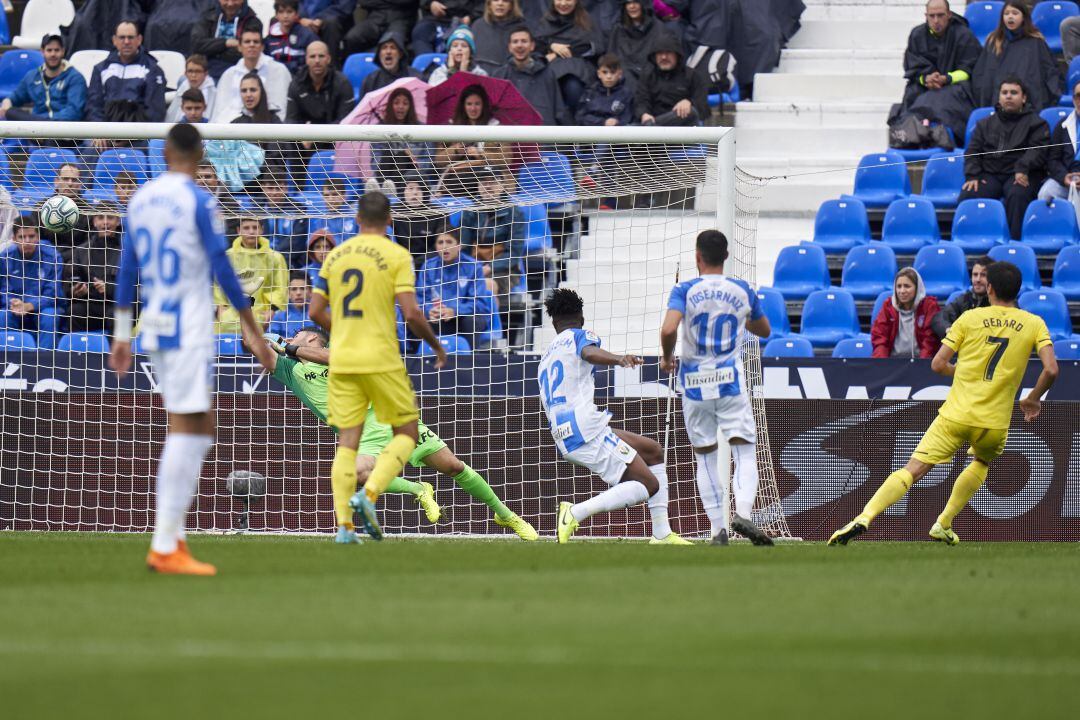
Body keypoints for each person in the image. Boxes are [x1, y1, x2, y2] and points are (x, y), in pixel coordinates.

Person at [109, 123, 276, 575]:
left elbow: (127, 269)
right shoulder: (200, 201)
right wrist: (254, 331)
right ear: (201, 155)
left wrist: (122, 334)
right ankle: (165, 545)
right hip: (186, 326)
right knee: (187, 427)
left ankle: (171, 539)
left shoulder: (140, 200)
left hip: (155, 323)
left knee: (199, 424)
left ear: (164, 152)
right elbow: (221, 264)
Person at [830, 261, 1058, 546]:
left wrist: (962, 372)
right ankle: (943, 523)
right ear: (1018, 290)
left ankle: (864, 517)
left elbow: (938, 364)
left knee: (912, 469)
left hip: (956, 415)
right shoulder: (1034, 323)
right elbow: (1051, 370)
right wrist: (1032, 399)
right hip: (994, 422)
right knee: (981, 461)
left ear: (989, 288)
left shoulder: (970, 318)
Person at [256, 325, 537, 539]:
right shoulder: (290, 371)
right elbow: (255, 344)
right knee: (355, 473)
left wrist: (287, 346)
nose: (290, 340)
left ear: (314, 339)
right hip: (363, 433)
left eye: (296, 337)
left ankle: (506, 516)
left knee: (453, 465)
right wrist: (246, 304)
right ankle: (417, 489)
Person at [308, 192, 449, 543]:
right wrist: (436, 345)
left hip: (344, 358)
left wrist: (343, 330)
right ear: (390, 220)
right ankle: (368, 495)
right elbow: (413, 313)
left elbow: (314, 312)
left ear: (357, 219)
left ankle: (344, 527)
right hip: (380, 357)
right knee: (406, 433)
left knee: (348, 442)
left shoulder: (336, 254)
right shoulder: (397, 254)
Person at [542, 288, 690, 545]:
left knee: (653, 451)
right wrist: (619, 359)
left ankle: (662, 534)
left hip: (567, 432)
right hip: (585, 430)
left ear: (554, 322)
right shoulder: (580, 336)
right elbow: (588, 352)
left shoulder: (546, 355)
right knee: (649, 485)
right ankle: (574, 513)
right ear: (581, 317)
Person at [659, 230, 774, 546]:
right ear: (726, 257)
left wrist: (668, 358)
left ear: (697, 257)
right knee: (744, 451)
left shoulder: (684, 289)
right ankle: (745, 514)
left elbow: (669, 328)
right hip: (730, 382)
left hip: (695, 385)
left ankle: (717, 530)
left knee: (706, 458)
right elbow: (763, 330)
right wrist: (739, 318)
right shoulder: (741, 289)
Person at [958, 77, 1049, 240]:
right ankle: (971, 242)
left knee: (1018, 195)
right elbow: (973, 150)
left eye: (1014, 93)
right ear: (999, 97)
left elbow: (1038, 151)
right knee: (969, 192)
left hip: (1020, 174)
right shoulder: (984, 123)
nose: (1008, 96)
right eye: (1004, 92)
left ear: (1024, 98)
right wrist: (973, 175)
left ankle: (1015, 244)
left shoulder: (1037, 124)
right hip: (990, 175)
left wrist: (1022, 168)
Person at [893, 0, 981, 146]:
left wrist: (946, 78)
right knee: (912, 94)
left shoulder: (964, 35)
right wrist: (925, 79)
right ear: (926, 16)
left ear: (949, 15)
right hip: (925, 85)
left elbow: (969, 69)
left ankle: (940, 135)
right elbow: (913, 69)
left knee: (942, 99)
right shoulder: (917, 35)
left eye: (940, 15)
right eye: (932, 16)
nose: (936, 20)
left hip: (955, 85)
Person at [971, 1, 1059, 112]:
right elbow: (982, 74)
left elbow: (1049, 71)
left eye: (1015, 13)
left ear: (1024, 17)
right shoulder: (994, 41)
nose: (1010, 17)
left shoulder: (1036, 42)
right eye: (1006, 13)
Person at [417, 229, 494, 349]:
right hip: (440, 319)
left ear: (459, 246)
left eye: (449, 242)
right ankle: (422, 361)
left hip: (464, 318)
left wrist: (454, 310)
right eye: (440, 242)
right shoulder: (428, 267)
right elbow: (420, 300)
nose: (444, 246)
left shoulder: (473, 267)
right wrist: (429, 311)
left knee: (471, 321)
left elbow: (480, 304)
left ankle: (470, 361)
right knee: (416, 320)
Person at [0, 216, 65, 350]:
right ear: (14, 239)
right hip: (17, 308)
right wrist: (13, 303)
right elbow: (4, 290)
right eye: (22, 237)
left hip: (45, 307)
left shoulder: (52, 256)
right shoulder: (5, 257)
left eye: (31, 236)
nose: (27, 241)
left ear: (38, 237)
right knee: (3, 315)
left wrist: (30, 305)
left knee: (49, 316)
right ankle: (9, 361)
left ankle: (45, 362)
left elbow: (53, 294)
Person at [215, 215, 290, 331]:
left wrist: (272, 310)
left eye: (255, 227)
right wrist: (221, 308)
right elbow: (218, 285)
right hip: (230, 317)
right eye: (246, 228)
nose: (251, 231)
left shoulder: (275, 258)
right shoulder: (227, 257)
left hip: (261, 316)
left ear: (262, 230)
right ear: (238, 230)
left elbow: (281, 287)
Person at [86, 21, 167, 125]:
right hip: (103, 133)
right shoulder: (100, 69)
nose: (126, 42)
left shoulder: (153, 70)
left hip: (140, 134)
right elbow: (93, 105)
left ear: (139, 40)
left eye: (131, 37)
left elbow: (155, 111)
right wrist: (100, 131)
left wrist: (129, 136)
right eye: (122, 37)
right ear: (114, 40)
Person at [213, 27, 293, 123]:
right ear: (239, 47)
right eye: (247, 42)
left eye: (255, 42)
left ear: (262, 47)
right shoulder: (228, 75)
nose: (251, 45)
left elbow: (284, 109)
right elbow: (220, 111)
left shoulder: (279, 71)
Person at [0, 34, 86, 122]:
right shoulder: (33, 76)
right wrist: (8, 101)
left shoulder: (75, 77)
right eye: (49, 50)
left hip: (62, 128)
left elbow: (74, 112)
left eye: (57, 50)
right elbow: (16, 96)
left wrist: (45, 122)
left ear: (63, 51)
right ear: (42, 52)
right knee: (10, 112)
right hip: (35, 128)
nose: (53, 54)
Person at [491, 26, 564, 126]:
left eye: (524, 41)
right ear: (509, 47)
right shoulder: (499, 75)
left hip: (544, 136)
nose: (519, 45)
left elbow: (559, 110)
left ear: (532, 46)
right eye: (515, 42)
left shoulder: (547, 73)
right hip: (510, 136)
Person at [68, 204, 124, 334]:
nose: (105, 222)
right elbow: (71, 281)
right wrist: (76, 290)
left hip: (114, 304)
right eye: (100, 218)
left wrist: (108, 288)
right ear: (94, 221)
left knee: (117, 315)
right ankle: (76, 353)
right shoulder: (81, 251)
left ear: (118, 221)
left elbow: (135, 288)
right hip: (90, 304)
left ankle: (115, 353)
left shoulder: (127, 251)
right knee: (74, 311)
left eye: (110, 217)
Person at [635, 32, 708, 126]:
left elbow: (702, 105)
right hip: (654, 130)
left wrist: (689, 102)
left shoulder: (692, 75)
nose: (664, 57)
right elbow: (641, 101)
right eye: (660, 53)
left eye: (668, 52)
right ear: (654, 56)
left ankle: (649, 128)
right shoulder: (647, 76)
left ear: (677, 55)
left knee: (691, 112)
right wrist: (644, 114)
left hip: (683, 129)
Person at [372, 88, 435, 192]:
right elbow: (375, 161)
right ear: (390, 106)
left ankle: (388, 189)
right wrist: (393, 155)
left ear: (410, 107)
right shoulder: (380, 129)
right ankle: (387, 188)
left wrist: (414, 159)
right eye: (396, 103)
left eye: (405, 103)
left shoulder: (422, 129)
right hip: (386, 171)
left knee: (402, 156)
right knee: (388, 154)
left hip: (413, 175)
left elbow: (429, 162)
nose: (401, 106)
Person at [871, 267, 941, 359]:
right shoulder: (888, 306)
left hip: (921, 362)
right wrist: (882, 364)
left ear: (917, 288)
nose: (902, 291)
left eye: (907, 286)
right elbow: (880, 337)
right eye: (899, 286)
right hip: (892, 362)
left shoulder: (929, 306)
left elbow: (930, 340)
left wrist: (922, 365)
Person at [286, 41, 356, 126]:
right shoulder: (296, 84)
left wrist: (319, 136)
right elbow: (291, 120)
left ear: (328, 59)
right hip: (304, 137)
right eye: (312, 56)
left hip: (334, 136)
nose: (317, 61)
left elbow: (346, 121)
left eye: (321, 56)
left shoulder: (343, 84)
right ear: (306, 60)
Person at [190, 0, 263, 80]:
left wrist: (212, 49)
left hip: (236, 71)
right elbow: (197, 44)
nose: (230, 4)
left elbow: (245, 51)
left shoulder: (252, 22)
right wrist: (226, 43)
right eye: (226, 0)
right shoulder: (208, 16)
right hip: (205, 69)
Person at [606, 0, 666, 86]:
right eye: (628, 3)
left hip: (650, 80)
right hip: (624, 80)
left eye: (636, 2)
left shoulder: (658, 28)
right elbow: (610, 58)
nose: (632, 6)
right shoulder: (618, 29)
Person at [1039, 78, 1080, 202]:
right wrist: (1064, 177)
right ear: (1073, 100)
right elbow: (1053, 159)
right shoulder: (1063, 125)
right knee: (1045, 194)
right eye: (1078, 96)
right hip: (1068, 179)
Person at [41, 164, 91, 263]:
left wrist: (65, 257)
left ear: (80, 184)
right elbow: (35, 238)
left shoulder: (88, 211)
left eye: (74, 180)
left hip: (75, 261)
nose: (70, 183)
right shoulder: (42, 207)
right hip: (44, 259)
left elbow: (88, 244)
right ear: (56, 181)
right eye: (65, 179)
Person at [257, 174, 310, 268]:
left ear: (286, 188)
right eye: (270, 188)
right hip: (261, 261)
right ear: (263, 188)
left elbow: (297, 243)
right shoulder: (255, 211)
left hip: (290, 262)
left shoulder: (299, 210)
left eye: (278, 188)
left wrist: (274, 258)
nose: (274, 192)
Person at [932, 258, 990, 339]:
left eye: (983, 275)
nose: (978, 279)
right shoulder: (964, 299)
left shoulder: (999, 302)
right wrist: (948, 329)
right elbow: (939, 318)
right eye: (975, 275)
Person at [472, 0, 530, 73]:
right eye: (496, 0)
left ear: (511, 5)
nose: (500, 3)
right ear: (489, 4)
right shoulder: (478, 26)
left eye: (505, 1)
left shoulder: (522, 28)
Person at [344, 0, 419, 56]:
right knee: (352, 37)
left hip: (401, 19)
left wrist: (380, 3)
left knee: (392, 42)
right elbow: (364, 2)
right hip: (376, 19)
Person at [575, 54, 633, 126]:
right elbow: (580, 117)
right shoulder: (590, 92)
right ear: (599, 74)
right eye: (605, 72)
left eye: (613, 72)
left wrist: (617, 122)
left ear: (620, 74)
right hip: (592, 133)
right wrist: (603, 122)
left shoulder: (626, 94)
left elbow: (627, 118)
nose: (608, 76)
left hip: (617, 134)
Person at [360, 31, 423, 97]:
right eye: (384, 48)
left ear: (400, 54)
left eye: (393, 47)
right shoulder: (370, 81)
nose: (388, 52)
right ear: (379, 54)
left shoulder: (415, 77)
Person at [412, 0, 485, 56]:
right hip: (436, 18)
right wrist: (431, 3)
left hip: (465, 20)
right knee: (420, 32)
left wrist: (471, 17)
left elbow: (482, 5)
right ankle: (428, 69)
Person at [266, 0, 320, 73]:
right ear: (276, 15)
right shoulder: (269, 39)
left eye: (289, 12)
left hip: (300, 79)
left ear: (297, 15)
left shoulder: (307, 36)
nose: (285, 16)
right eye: (281, 12)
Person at [166, 55, 218, 123]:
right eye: (190, 71)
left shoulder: (213, 93)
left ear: (205, 74)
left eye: (198, 71)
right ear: (185, 73)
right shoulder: (182, 88)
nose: (193, 75)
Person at [269, 272, 312, 337]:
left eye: (302, 288)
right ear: (288, 293)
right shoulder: (279, 317)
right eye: (294, 289)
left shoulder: (319, 315)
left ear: (310, 292)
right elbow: (270, 340)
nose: (298, 293)